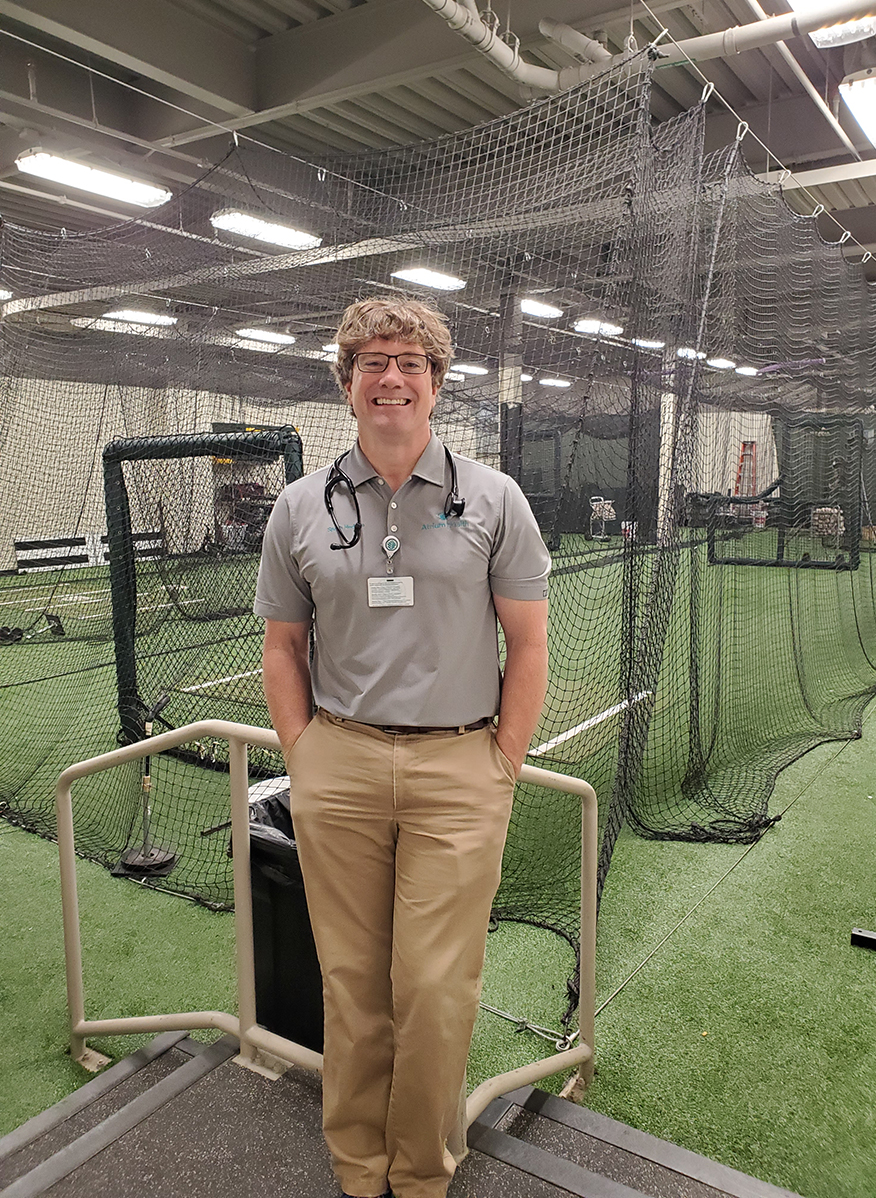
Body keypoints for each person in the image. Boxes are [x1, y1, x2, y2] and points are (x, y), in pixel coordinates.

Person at [254, 296, 550, 1198]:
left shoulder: (492, 498)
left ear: (435, 383)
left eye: (411, 363)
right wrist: (304, 751)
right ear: (347, 384)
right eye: (374, 362)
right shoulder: (302, 506)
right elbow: (282, 646)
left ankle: (422, 1173)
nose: (392, 377)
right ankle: (357, 1164)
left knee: (433, 990)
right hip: (338, 766)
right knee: (351, 985)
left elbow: (529, 642)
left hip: (458, 770)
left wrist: (500, 760)